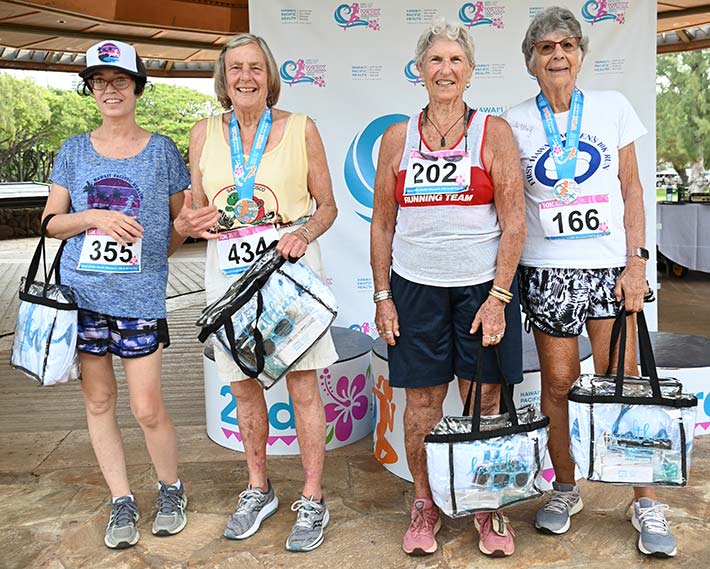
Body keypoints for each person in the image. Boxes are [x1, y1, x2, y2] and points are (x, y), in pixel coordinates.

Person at [503, 6, 677, 559]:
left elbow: (632, 187)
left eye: (567, 46)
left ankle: (644, 499)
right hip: (547, 273)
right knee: (557, 385)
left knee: (620, 382)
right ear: (531, 61)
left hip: (608, 269)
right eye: (546, 47)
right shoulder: (512, 121)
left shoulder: (611, 108)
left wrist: (637, 262)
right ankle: (565, 487)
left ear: (580, 56)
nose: (557, 55)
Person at [42, 40, 216, 549]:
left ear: (137, 87)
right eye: (100, 81)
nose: (110, 89)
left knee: (146, 407)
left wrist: (173, 240)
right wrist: (93, 216)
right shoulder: (73, 149)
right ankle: (121, 498)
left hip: (139, 298)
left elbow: (177, 225)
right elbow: (51, 223)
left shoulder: (162, 150)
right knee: (99, 402)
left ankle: (170, 488)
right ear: (91, 90)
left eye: (120, 80)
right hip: (82, 294)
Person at [370, 20, 526, 558]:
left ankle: (487, 504)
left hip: (481, 290)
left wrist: (500, 297)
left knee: (484, 399)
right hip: (415, 291)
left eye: (455, 61)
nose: (445, 70)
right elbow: (382, 224)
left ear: (471, 71)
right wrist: (382, 295)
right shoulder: (398, 137)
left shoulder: (494, 132)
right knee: (421, 404)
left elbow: (514, 221)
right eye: (435, 60)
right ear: (419, 70)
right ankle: (425, 502)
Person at [178, 32, 338, 552]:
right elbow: (192, 212)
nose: (246, 77)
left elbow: (328, 206)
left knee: (304, 388)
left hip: (288, 276)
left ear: (269, 76)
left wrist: (303, 233)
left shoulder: (301, 128)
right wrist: (188, 221)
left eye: (255, 68)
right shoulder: (202, 133)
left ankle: (312, 496)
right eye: (236, 69)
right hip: (227, 278)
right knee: (243, 388)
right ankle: (258, 488)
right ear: (223, 79)